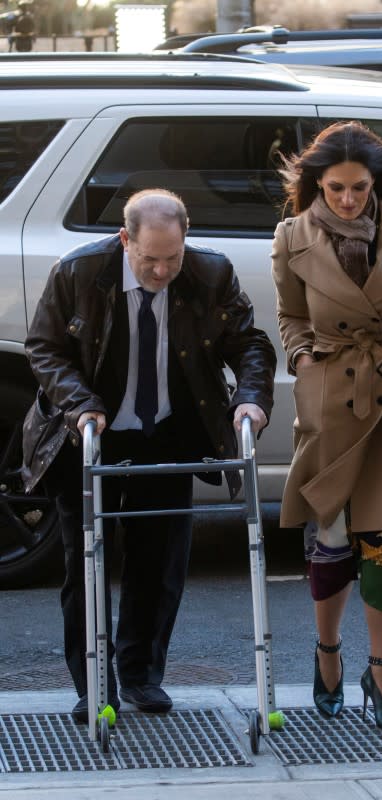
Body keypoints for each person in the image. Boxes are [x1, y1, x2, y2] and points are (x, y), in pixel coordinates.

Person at [22, 188, 276, 722]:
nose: (162, 271)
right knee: (86, 560)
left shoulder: (210, 274)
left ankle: (140, 675)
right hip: (89, 431)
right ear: (124, 239)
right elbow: (45, 347)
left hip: (167, 430)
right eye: (150, 259)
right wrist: (80, 404)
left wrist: (250, 399)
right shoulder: (78, 273)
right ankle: (94, 682)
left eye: (173, 258)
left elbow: (249, 343)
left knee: (158, 562)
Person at [271, 121, 382, 732]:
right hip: (330, 408)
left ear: (377, 182)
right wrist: (301, 364)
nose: (348, 199)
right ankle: (327, 655)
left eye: (359, 188)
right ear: (317, 182)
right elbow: (291, 317)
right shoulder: (291, 236)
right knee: (331, 545)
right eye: (336, 187)